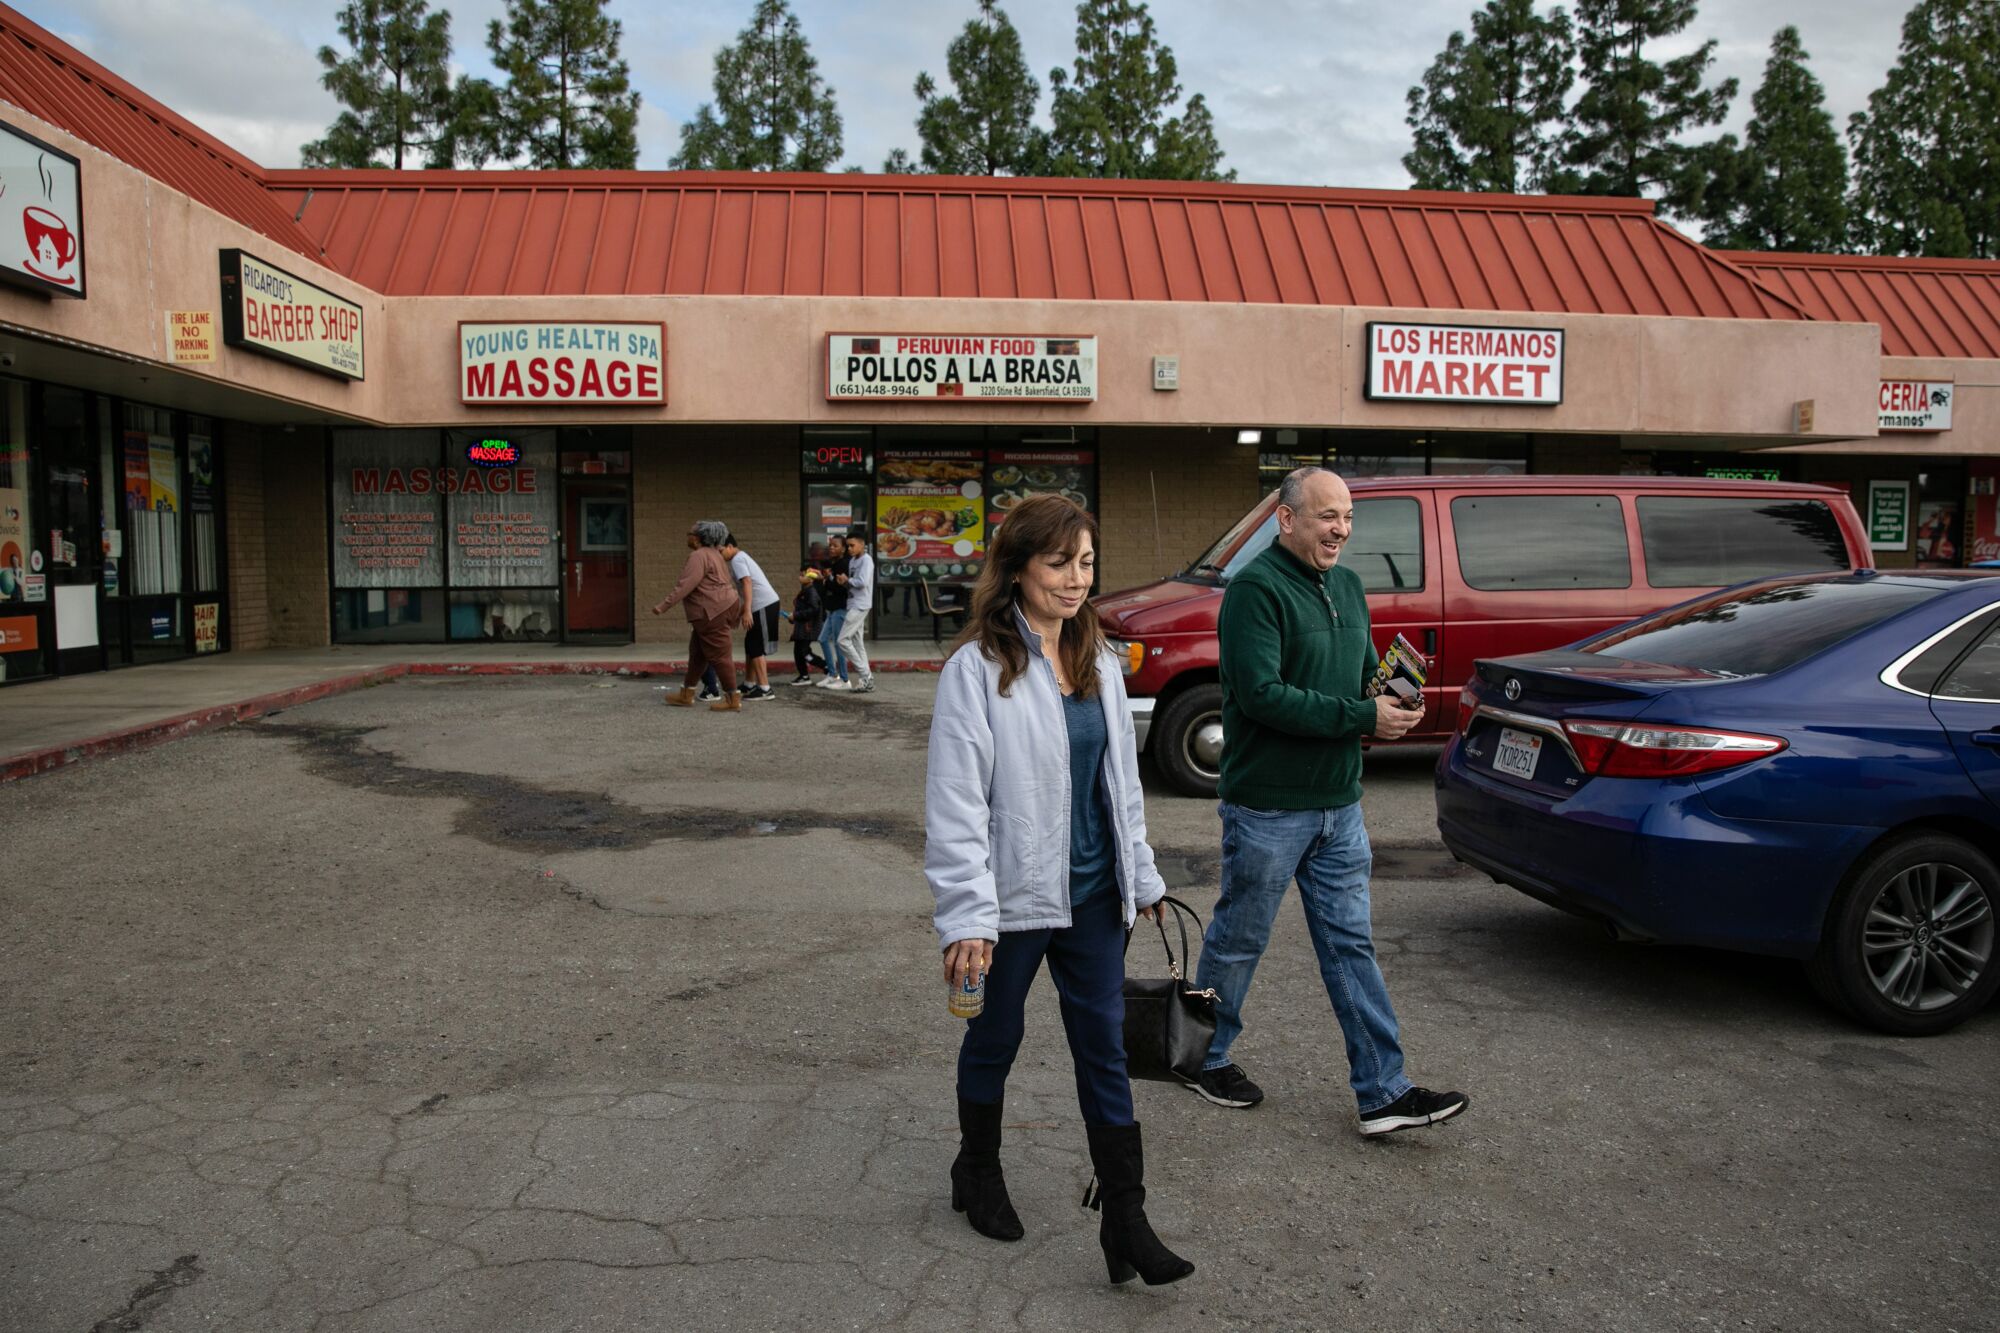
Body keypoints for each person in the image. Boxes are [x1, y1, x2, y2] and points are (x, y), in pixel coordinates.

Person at [926, 494, 1194, 1287]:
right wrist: (967, 915)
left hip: (1093, 901)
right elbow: (956, 804)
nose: (1077, 581)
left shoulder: (1100, 659)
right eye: (1059, 563)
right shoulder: (975, 670)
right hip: (1011, 902)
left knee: (1104, 1051)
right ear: (1016, 568)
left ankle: (1127, 1218)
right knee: (995, 1038)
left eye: (1085, 563)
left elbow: (1121, 786)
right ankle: (976, 1169)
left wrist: (1139, 873)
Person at [1189, 466, 1469, 1137]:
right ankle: (1203, 1053)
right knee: (1240, 938)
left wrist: (1391, 698)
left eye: (1347, 516)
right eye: (1326, 516)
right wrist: (1360, 715)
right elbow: (1262, 696)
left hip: (1340, 803)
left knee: (1351, 945)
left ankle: (1383, 1092)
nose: (1341, 528)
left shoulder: (1346, 584)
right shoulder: (1254, 591)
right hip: (1268, 807)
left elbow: (1356, 678)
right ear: (1286, 520)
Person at [650, 520, 744, 713]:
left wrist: (663, 606)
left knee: (720, 655)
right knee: (698, 653)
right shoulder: (716, 554)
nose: (688, 536)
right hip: (722, 606)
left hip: (711, 611)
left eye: (690, 533)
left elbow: (685, 585)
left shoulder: (699, 555)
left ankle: (732, 698)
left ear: (699, 537)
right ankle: (687, 694)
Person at [721, 533, 782, 701]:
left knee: (756, 645)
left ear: (730, 546)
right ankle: (749, 683)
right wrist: (740, 613)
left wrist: (747, 611)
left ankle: (765, 688)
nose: (720, 555)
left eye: (721, 551)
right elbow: (745, 591)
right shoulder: (740, 558)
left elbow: (747, 583)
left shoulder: (737, 560)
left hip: (763, 605)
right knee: (750, 644)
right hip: (760, 605)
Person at [834, 532, 875, 693]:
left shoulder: (866, 560)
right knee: (858, 644)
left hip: (860, 605)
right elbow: (852, 584)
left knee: (842, 640)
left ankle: (866, 675)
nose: (849, 549)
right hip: (852, 603)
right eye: (848, 545)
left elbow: (863, 582)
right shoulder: (852, 561)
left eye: (852, 545)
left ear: (862, 544)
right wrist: (844, 583)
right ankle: (866, 680)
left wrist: (847, 580)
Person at [817, 537, 852, 691]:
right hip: (832, 610)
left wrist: (827, 581)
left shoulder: (843, 564)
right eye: (830, 545)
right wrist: (826, 580)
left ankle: (845, 679)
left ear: (843, 549)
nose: (831, 548)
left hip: (840, 609)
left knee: (839, 644)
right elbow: (831, 586)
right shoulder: (834, 565)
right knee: (823, 639)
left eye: (835, 546)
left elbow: (841, 588)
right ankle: (832, 674)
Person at [784, 567, 828, 685]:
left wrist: (796, 616)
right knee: (799, 652)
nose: (800, 577)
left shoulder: (811, 592)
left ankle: (825, 666)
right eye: (800, 574)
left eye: (803, 575)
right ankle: (804, 675)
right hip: (802, 628)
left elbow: (813, 610)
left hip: (808, 628)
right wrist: (793, 617)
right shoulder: (805, 590)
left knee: (804, 652)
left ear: (811, 579)